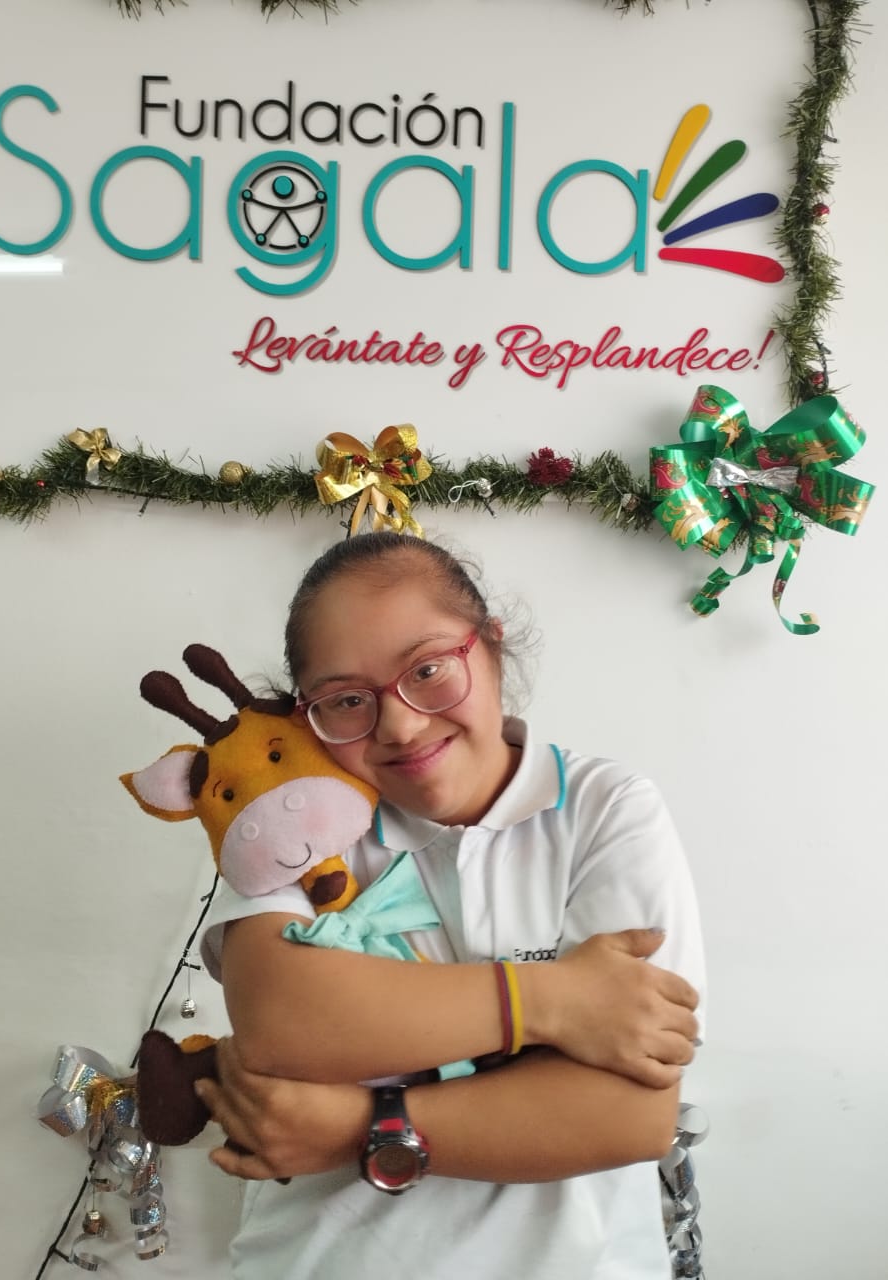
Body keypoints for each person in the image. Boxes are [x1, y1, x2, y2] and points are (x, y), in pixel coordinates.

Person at [197, 532, 705, 1280]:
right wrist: (556, 1000)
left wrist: (357, 1129)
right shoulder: (294, 826)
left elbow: (626, 1116)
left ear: (490, 646)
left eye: (428, 670)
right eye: (347, 701)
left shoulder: (605, 809)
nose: (400, 725)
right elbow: (283, 1023)